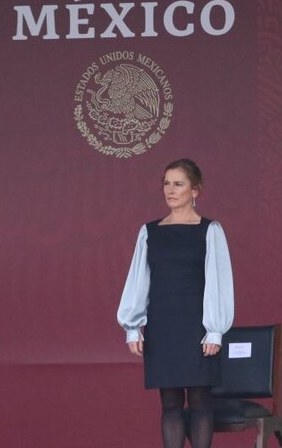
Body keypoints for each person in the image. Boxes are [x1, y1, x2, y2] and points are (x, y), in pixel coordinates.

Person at [117, 158, 235, 448]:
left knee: (199, 401)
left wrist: (215, 330)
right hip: (163, 326)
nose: (170, 190)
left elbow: (219, 281)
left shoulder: (209, 230)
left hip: (197, 327)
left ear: (195, 189)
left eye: (178, 184)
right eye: (167, 183)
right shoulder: (150, 232)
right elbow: (139, 280)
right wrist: (133, 328)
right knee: (169, 403)